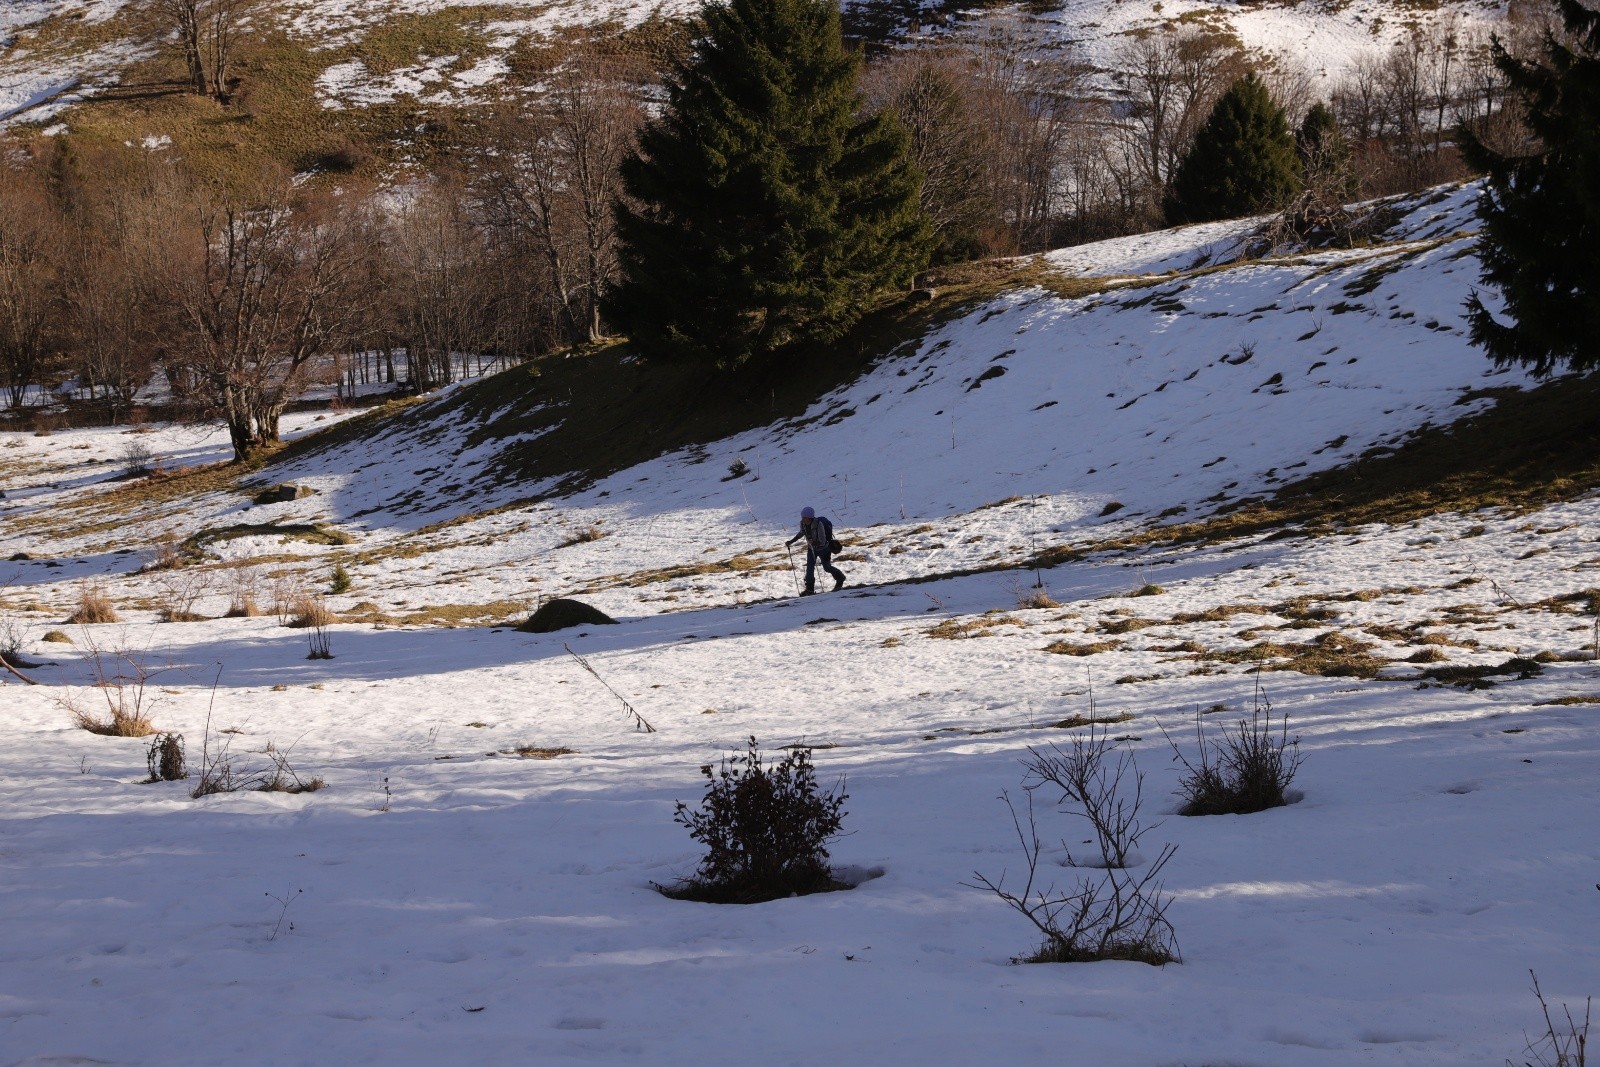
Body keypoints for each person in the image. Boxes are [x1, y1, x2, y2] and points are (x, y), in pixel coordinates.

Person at [785, 506, 845, 595]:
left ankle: (840, 578)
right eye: (802, 517)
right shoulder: (803, 523)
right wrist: (791, 541)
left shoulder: (819, 524)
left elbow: (823, 540)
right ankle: (810, 590)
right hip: (811, 549)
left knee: (827, 568)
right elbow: (802, 533)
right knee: (809, 569)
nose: (803, 519)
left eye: (804, 517)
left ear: (810, 517)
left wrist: (813, 542)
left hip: (824, 549)